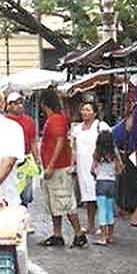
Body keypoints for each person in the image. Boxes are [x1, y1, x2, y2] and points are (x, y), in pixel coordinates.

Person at [39, 89, 87, 248]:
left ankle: (79, 233)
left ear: (44, 103)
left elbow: (60, 142)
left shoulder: (56, 120)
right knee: (55, 203)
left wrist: (51, 165)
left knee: (65, 201)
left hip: (58, 168)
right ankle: (57, 234)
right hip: (54, 167)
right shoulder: (54, 119)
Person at [71, 99, 110, 234]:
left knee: (100, 195)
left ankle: (103, 226)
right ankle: (90, 224)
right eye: (83, 109)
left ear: (95, 113)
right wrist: (73, 163)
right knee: (88, 196)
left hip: (98, 165)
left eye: (88, 110)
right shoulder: (77, 129)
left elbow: (108, 144)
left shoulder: (101, 126)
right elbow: (74, 148)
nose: (85, 112)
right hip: (83, 166)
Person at [5, 91, 39, 207]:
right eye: (16, 103)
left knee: (26, 195)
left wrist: (37, 160)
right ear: (8, 105)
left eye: (21, 103)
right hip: (9, 160)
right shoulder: (3, 122)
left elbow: (33, 141)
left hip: (26, 161)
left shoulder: (29, 121)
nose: (20, 105)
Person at [91, 130, 123, 245]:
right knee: (109, 209)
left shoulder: (97, 153)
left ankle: (103, 237)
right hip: (112, 183)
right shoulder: (114, 153)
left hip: (101, 182)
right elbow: (120, 169)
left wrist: (96, 175)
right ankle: (110, 235)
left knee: (102, 209)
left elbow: (92, 169)